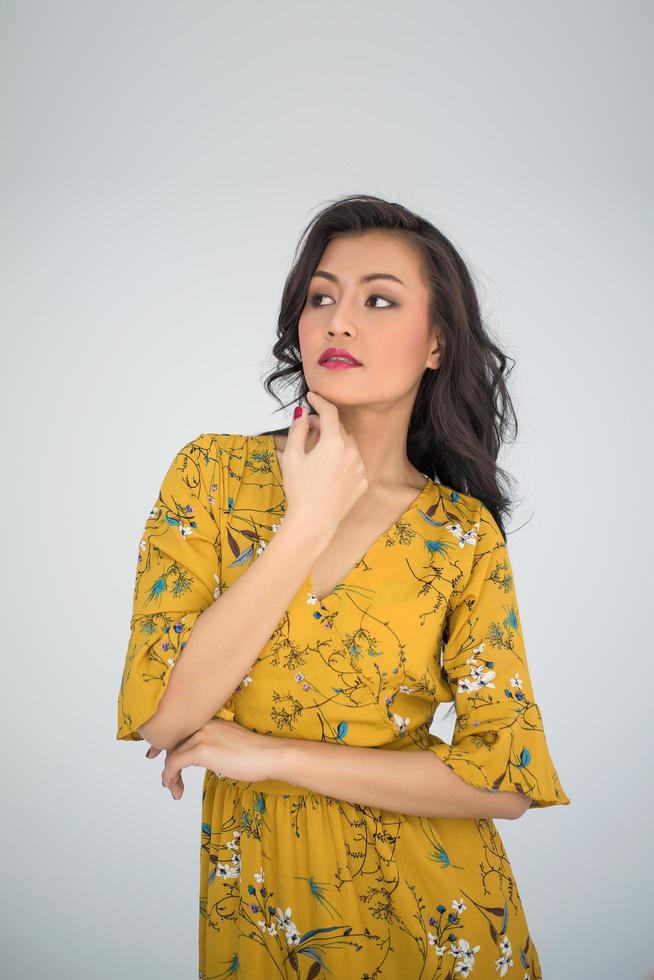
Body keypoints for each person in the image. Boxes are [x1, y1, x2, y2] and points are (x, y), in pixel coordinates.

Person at [116, 193, 570, 979]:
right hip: (262, 913)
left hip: (439, 920)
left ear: (436, 344)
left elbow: (502, 779)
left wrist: (271, 757)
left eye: (379, 300)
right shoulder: (213, 476)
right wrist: (307, 523)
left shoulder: (461, 536)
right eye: (321, 296)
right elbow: (165, 717)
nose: (339, 321)